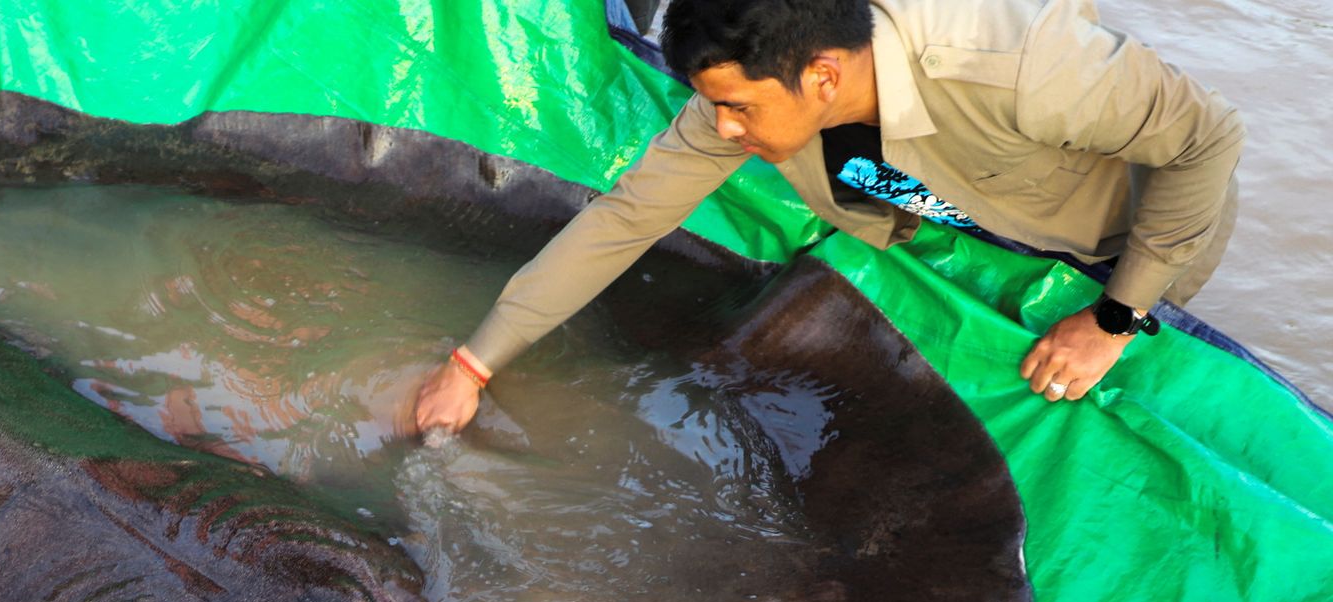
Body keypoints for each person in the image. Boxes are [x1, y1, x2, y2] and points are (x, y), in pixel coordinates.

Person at [414, 0, 1243, 431]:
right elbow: (625, 217)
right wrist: (475, 361)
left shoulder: (1017, 63)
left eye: (736, 107)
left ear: (819, 77)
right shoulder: (753, 88)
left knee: (1111, 390)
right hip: (956, 219)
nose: (723, 131)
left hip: (1118, 239)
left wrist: (1117, 316)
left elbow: (1205, 142)